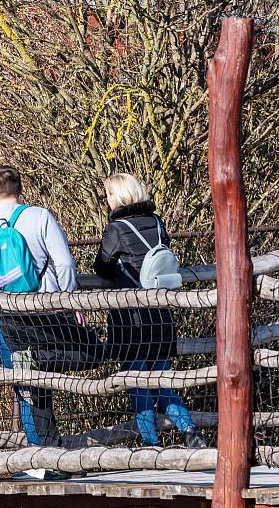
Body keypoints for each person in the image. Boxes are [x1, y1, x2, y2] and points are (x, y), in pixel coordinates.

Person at [0, 165, 103, 448]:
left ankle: (42, 454)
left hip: (10, 315)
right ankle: (49, 448)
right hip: (49, 309)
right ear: (20, 190)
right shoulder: (40, 217)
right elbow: (65, 263)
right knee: (90, 352)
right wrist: (68, 299)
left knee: (27, 388)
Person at [93, 173, 207, 448]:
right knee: (163, 380)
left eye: (108, 195)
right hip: (160, 313)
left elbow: (102, 266)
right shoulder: (156, 222)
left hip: (130, 319)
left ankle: (151, 443)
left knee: (138, 382)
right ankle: (190, 432)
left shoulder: (116, 228)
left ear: (117, 197)